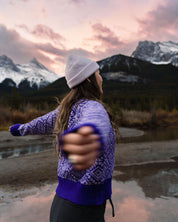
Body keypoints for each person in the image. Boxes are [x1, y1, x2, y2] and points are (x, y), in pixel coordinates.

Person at [10, 55, 117, 222]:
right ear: (89, 80)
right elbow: (96, 122)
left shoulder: (68, 107)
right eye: (98, 74)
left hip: (61, 204)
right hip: (83, 210)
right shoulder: (93, 107)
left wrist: (21, 129)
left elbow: (43, 122)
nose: (101, 79)